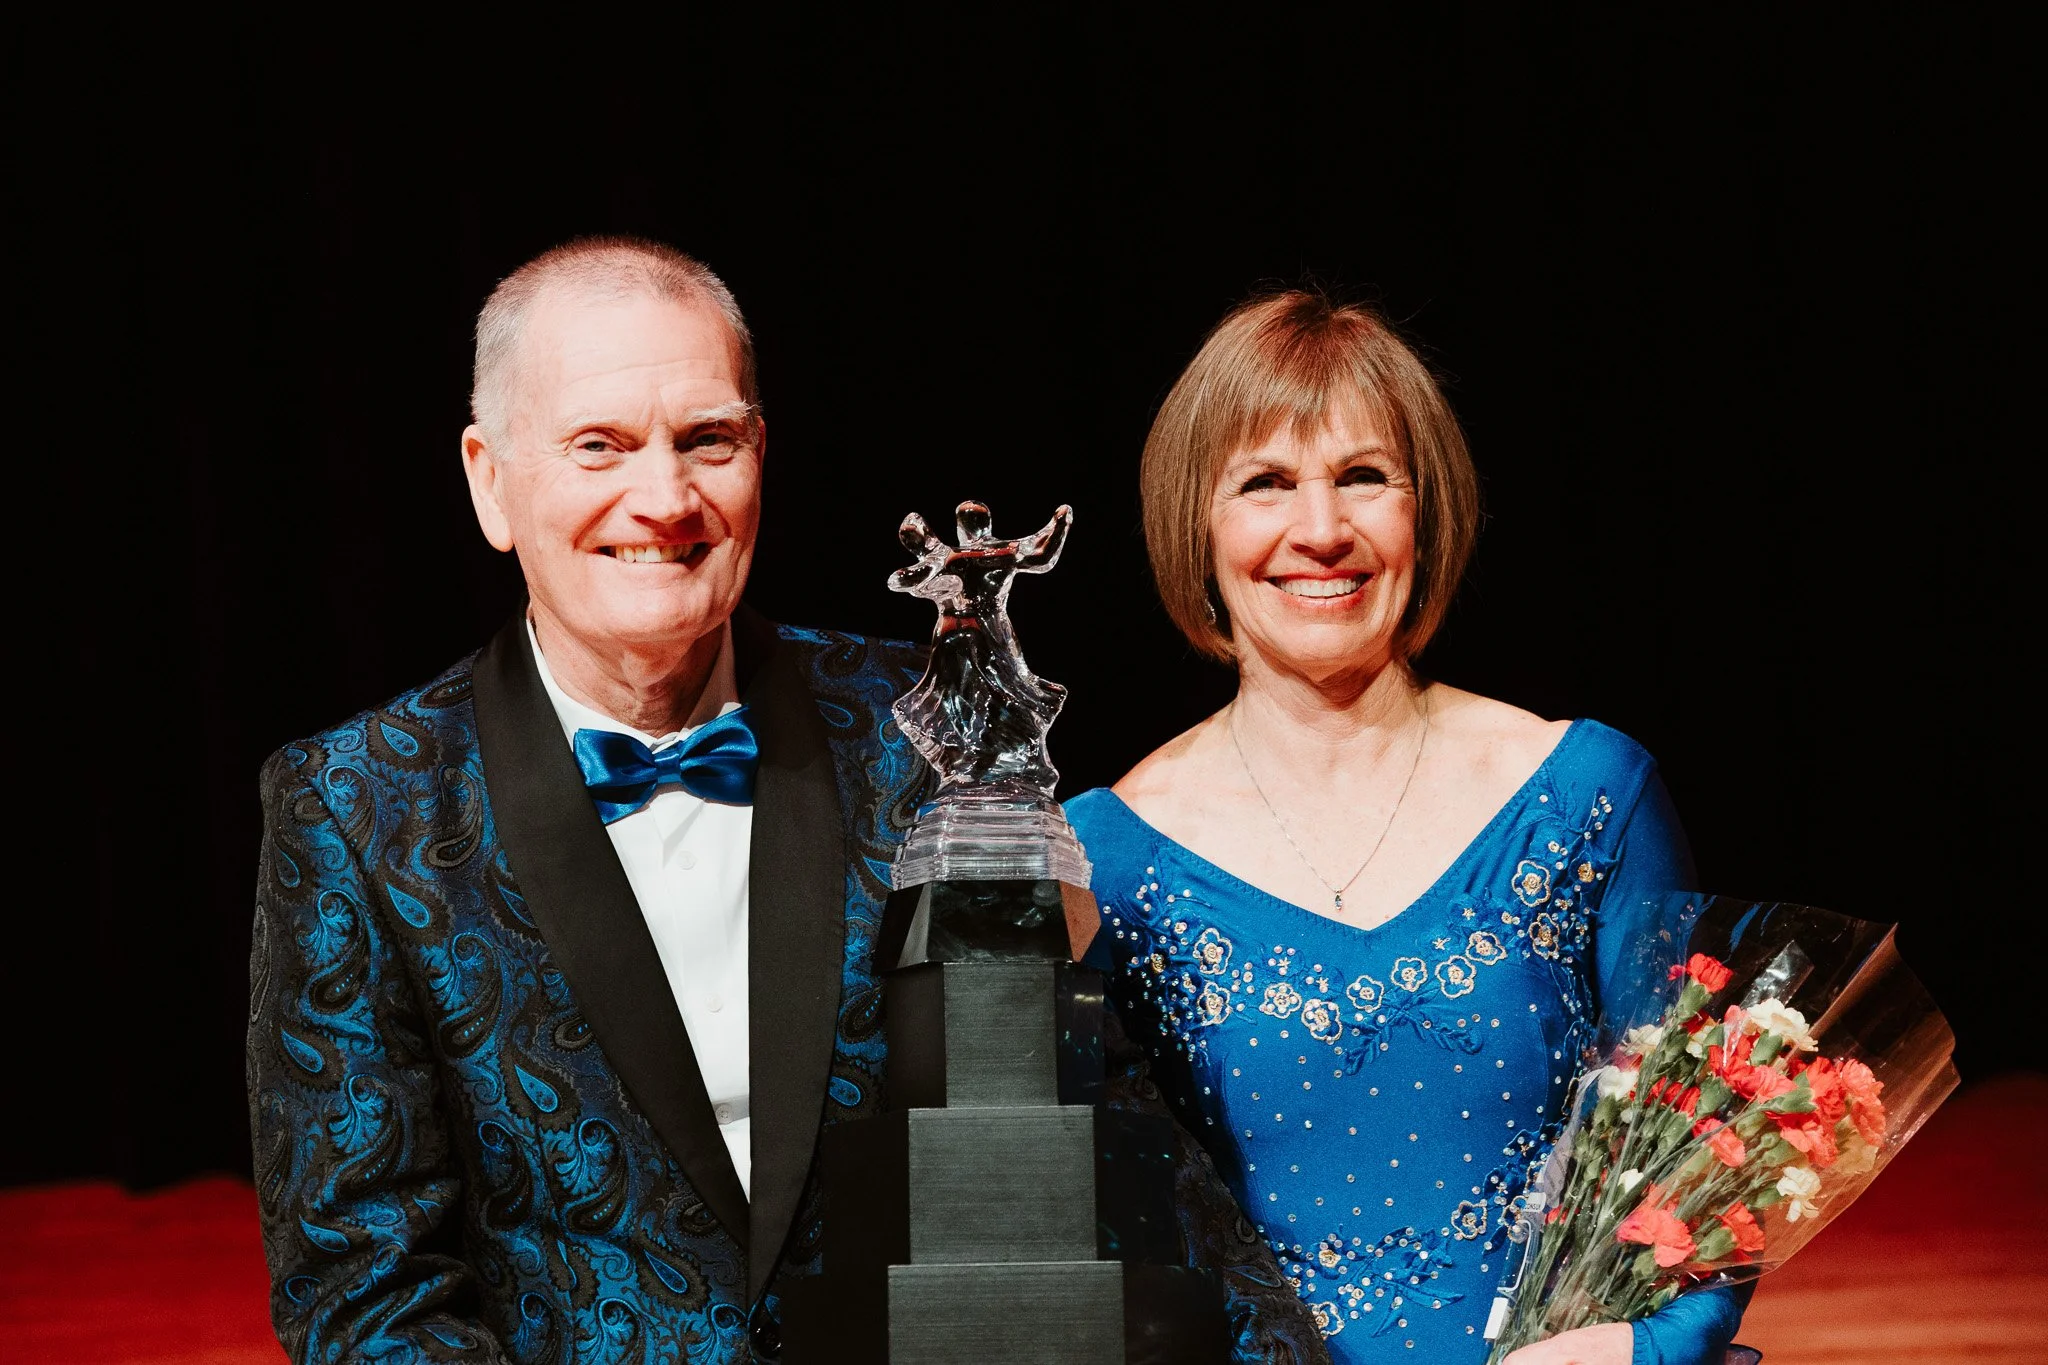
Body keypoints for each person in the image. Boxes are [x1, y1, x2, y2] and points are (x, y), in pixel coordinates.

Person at [246, 237, 1315, 1364]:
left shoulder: (926, 735)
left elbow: (1099, 1139)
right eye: (598, 446)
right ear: (489, 479)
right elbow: (365, 1294)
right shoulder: (357, 806)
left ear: (761, 456)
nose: (662, 498)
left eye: (707, 440)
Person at [1066, 292, 1750, 1365]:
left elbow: (1713, 1163)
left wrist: (1633, 1353)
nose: (1321, 530)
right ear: (1193, 524)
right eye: (1264, 484)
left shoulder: (1586, 796)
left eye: (1362, 477)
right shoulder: (1100, 856)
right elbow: (1086, 1229)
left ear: (1423, 511)